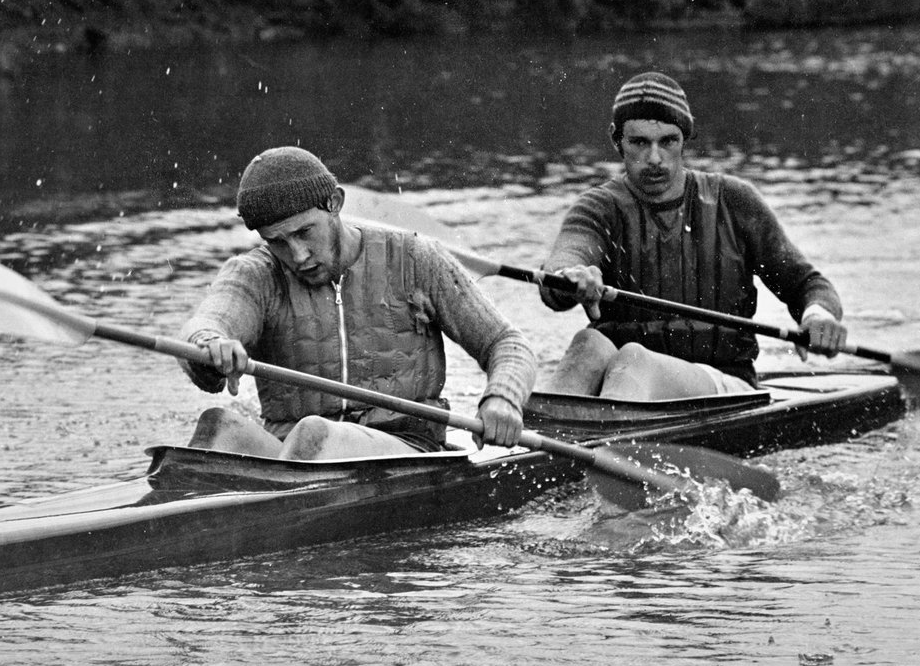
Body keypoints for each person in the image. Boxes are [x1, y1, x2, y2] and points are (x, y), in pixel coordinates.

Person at [178, 146, 536, 460]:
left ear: (335, 202)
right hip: (292, 454)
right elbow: (205, 326)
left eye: (304, 233)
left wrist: (502, 398)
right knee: (218, 426)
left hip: (405, 446)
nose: (298, 255)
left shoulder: (414, 258)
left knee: (316, 433)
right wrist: (209, 349)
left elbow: (506, 343)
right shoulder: (255, 275)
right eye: (278, 242)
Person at [539, 71, 848, 400]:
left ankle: (589, 436)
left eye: (667, 141)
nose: (655, 158)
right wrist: (568, 278)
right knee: (588, 345)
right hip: (627, 384)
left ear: (685, 139)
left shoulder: (734, 200)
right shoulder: (598, 207)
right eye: (639, 142)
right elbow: (566, 259)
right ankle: (545, 435)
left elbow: (806, 285)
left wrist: (818, 316)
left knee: (634, 359)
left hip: (724, 383)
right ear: (618, 142)